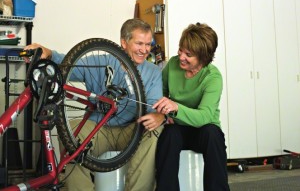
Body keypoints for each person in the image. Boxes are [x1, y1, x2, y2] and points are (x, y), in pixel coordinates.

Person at [24, 18, 165, 191]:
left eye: (148, 44)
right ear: (124, 42)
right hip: (97, 127)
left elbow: (153, 105)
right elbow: (70, 63)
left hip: (131, 130)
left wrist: (158, 115)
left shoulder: (154, 72)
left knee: (154, 131)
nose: (144, 50)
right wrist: (48, 52)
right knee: (71, 134)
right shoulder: (101, 61)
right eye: (139, 43)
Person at [152, 22, 230, 191]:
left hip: (203, 131)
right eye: (181, 50)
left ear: (203, 57)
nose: (181, 56)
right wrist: (164, 114)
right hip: (178, 129)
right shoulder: (172, 65)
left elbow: (205, 116)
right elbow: (161, 95)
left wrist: (176, 108)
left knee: (212, 134)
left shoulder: (213, 77)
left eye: (188, 54)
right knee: (169, 135)